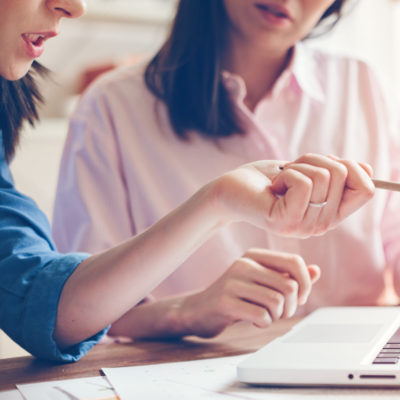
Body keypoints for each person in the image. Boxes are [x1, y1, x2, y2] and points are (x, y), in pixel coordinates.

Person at [0, 0, 374, 361]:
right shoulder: (113, 105)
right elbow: (70, 308)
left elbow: (50, 301)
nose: (76, 7)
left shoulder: (367, 87)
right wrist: (190, 309)